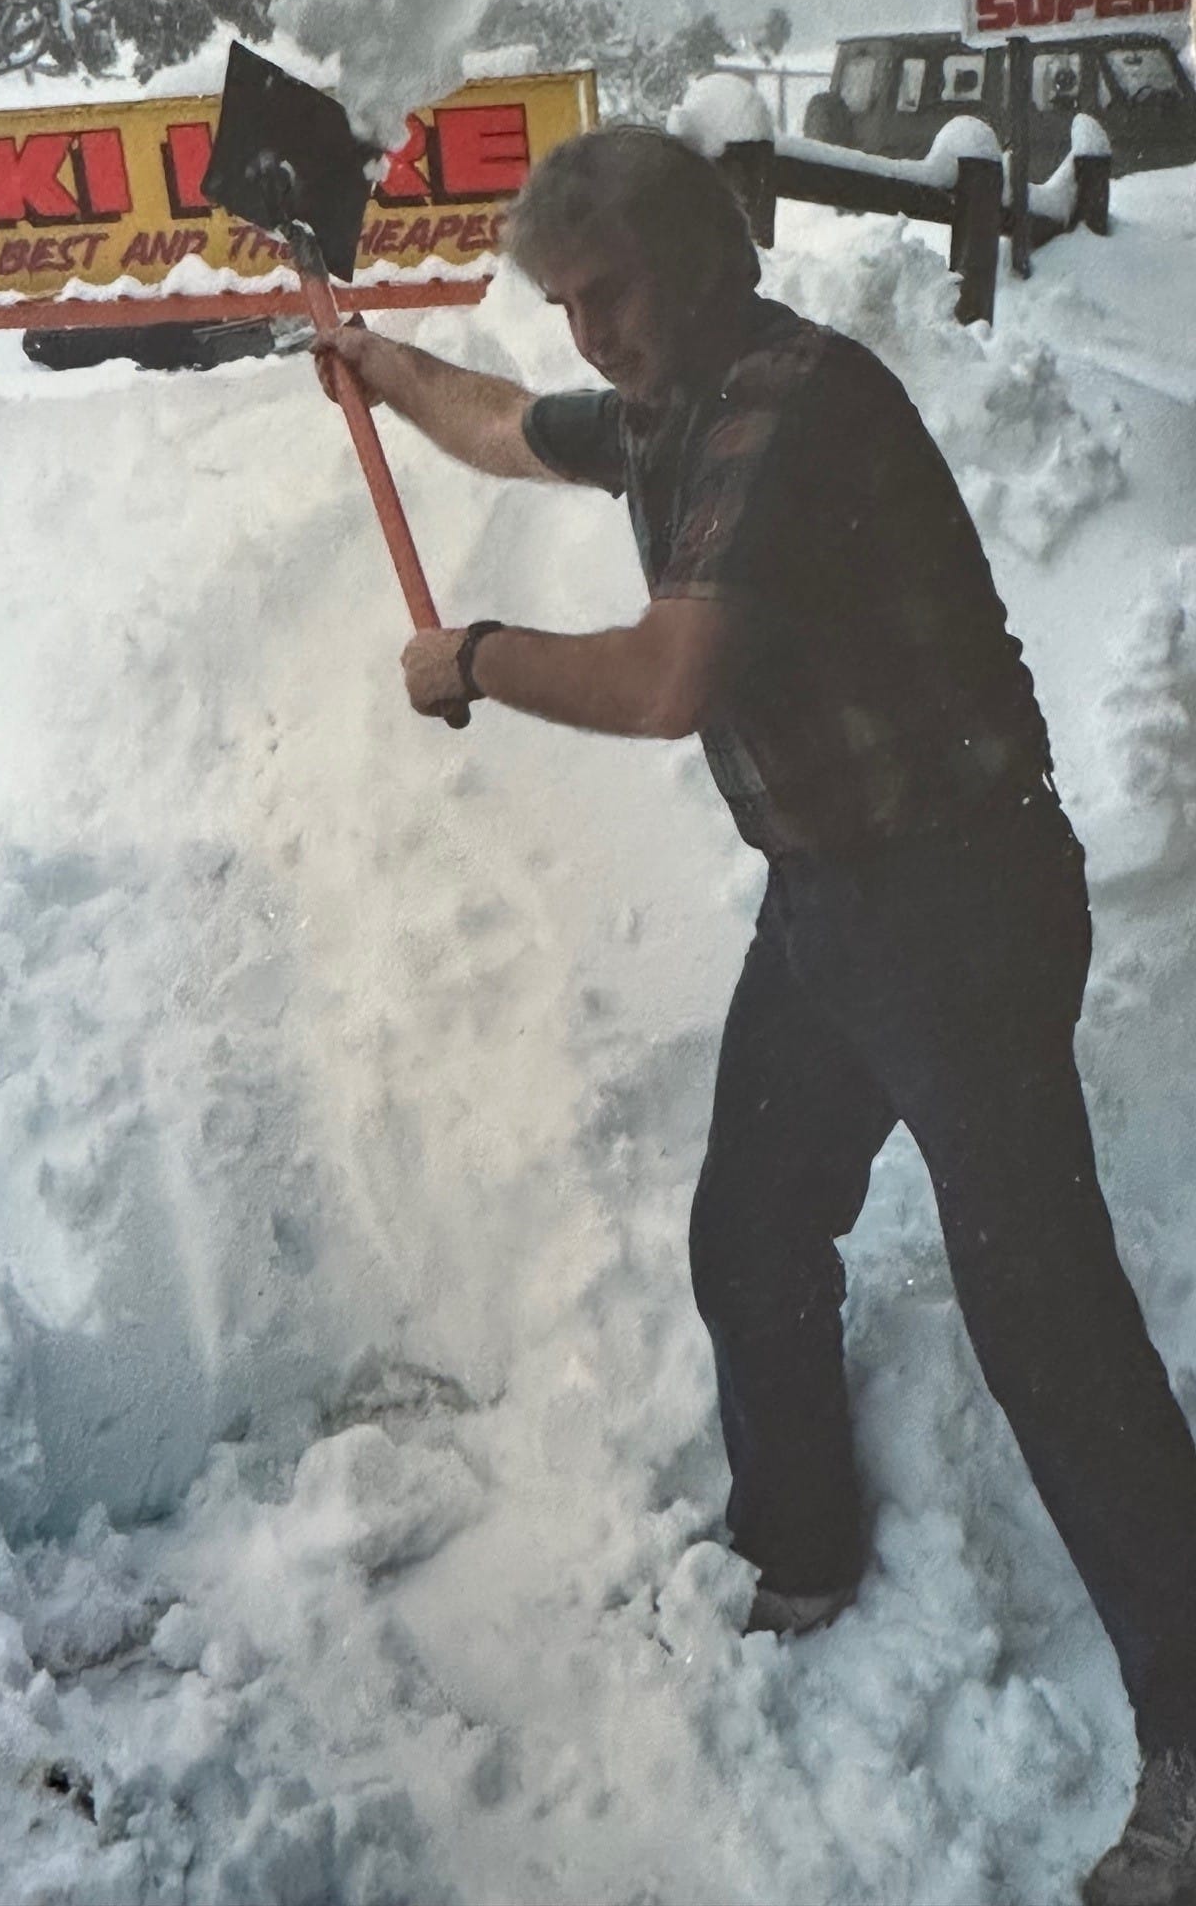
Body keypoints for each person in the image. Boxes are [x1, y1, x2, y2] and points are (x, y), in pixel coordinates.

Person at [313, 125, 1196, 1905]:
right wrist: (382, 363)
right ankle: (801, 1553)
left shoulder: (788, 403)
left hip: (959, 897)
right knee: (754, 1223)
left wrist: (474, 658)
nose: (586, 336)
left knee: (1048, 1318)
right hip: (837, 904)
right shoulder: (666, 405)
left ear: (698, 256)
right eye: (564, 305)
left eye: (610, 292)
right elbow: (509, 426)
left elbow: (663, 679)